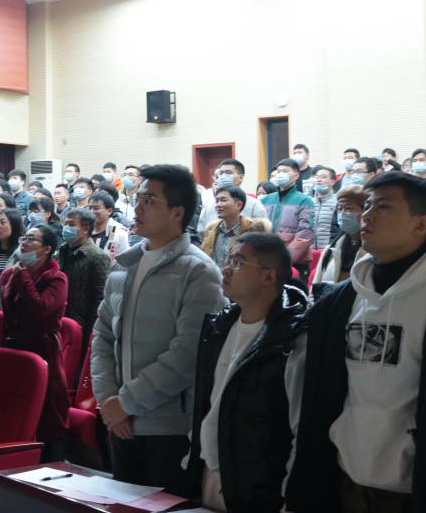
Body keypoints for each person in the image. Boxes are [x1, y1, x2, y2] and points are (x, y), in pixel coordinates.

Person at [289, 172, 426, 513]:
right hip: (345, 474)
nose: (366, 215)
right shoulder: (341, 300)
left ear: (421, 224)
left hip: (411, 484)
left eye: (383, 207)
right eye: (366, 206)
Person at [92, 164, 226, 495]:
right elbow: (103, 337)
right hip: (121, 422)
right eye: (138, 198)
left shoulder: (199, 272)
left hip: (170, 430)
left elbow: (187, 354)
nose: (137, 208)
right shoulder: (123, 266)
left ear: (177, 212)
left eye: (149, 200)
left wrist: (126, 402)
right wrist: (109, 402)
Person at [185, 233, 307, 512]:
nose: (226, 269)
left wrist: (291, 498)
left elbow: (300, 428)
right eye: (228, 260)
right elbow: (208, 402)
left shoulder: (293, 340)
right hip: (211, 473)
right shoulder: (219, 326)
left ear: (268, 276)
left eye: (238, 263)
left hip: (260, 487)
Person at [0, 224, 70, 461]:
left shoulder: (56, 278)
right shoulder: (11, 273)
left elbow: (39, 308)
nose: (24, 243)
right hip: (14, 346)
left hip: (42, 349)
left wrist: (23, 278)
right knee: (15, 406)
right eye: (24, 238)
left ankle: (52, 460)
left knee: (48, 411)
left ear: (47, 249)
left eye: (31, 240)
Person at [58, 208, 110, 342]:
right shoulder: (61, 250)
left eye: (71, 224)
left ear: (85, 229)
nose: (66, 228)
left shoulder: (97, 256)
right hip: (57, 320)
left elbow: (100, 298)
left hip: (80, 326)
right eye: (65, 223)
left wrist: (90, 332)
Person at [261, 158, 315, 273]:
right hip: (267, 259)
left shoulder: (304, 201)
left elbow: (305, 234)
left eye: (285, 171)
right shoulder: (266, 200)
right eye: (279, 171)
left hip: (295, 263)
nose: (281, 174)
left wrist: (284, 258)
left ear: (296, 176)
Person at [201, 186, 273, 269]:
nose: (218, 205)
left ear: (239, 205)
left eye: (223, 200)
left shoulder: (252, 230)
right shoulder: (211, 230)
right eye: (217, 201)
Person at [310, 184, 369, 286]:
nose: (342, 214)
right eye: (340, 209)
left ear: (365, 212)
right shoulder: (331, 249)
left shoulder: (372, 252)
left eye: (349, 208)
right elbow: (316, 286)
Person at [197, 159, 268, 232]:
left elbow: (261, 233)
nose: (223, 176)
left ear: (241, 177)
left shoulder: (254, 205)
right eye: (221, 173)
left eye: (228, 173)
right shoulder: (210, 202)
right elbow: (201, 231)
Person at [88, 191, 130, 261]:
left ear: (109, 211)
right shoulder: (84, 229)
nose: (91, 212)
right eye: (90, 208)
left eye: (96, 208)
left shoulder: (119, 233)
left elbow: (125, 261)